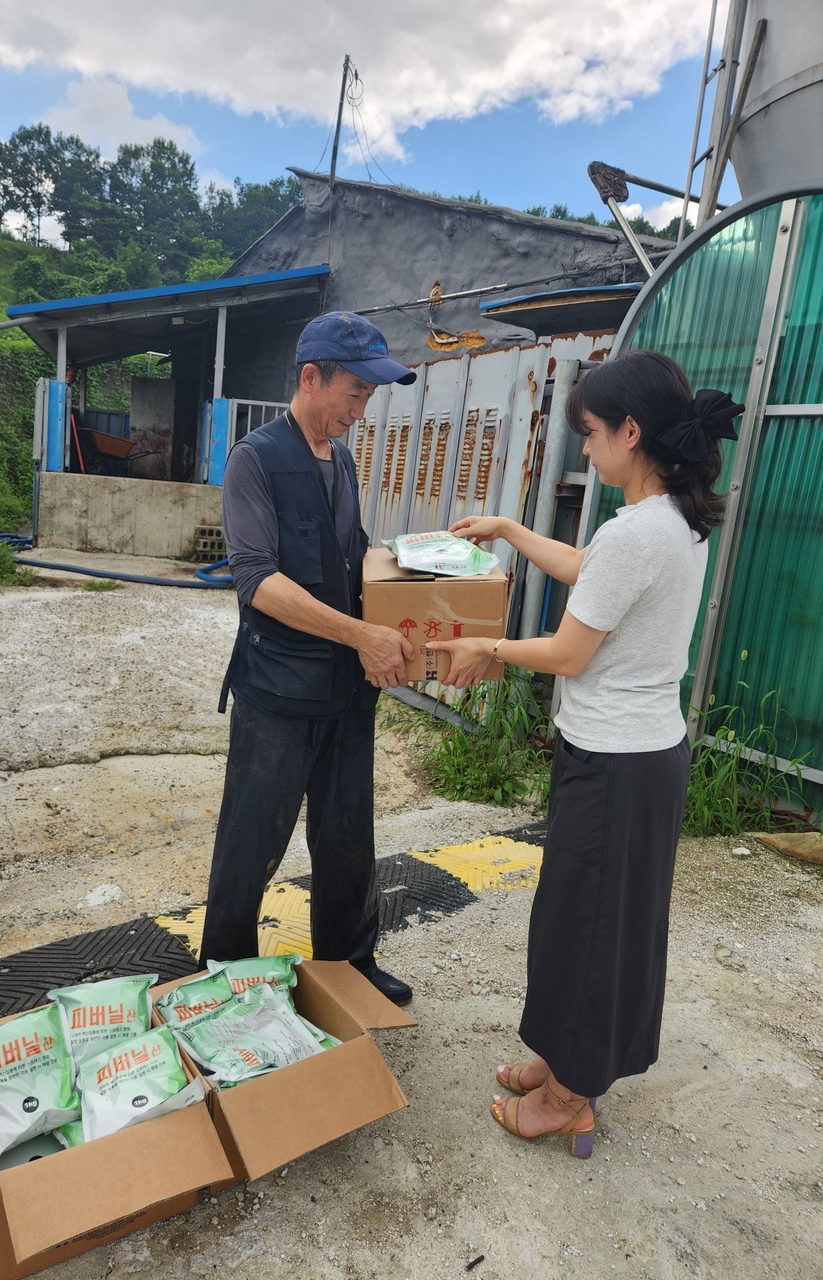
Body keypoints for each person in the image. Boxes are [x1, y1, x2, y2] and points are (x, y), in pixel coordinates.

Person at [427, 350, 744, 1155]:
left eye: (594, 435)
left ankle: (571, 1095)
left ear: (631, 432)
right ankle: (563, 1060)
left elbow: (570, 651)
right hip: (631, 755)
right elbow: (592, 573)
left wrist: (488, 648)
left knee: (595, 928)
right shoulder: (667, 516)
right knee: (581, 918)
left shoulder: (639, 530)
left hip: (619, 765)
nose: (588, 451)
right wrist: (508, 529)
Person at [198, 311, 417, 1004]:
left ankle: (349, 966)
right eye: (354, 392)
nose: (362, 409)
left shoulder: (343, 460)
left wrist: (418, 571)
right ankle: (226, 978)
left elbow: (349, 554)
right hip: (279, 694)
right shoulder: (254, 459)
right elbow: (257, 580)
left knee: (349, 837)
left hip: (346, 694)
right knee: (250, 846)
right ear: (311, 378)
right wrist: (361, 636)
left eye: (370, 396)